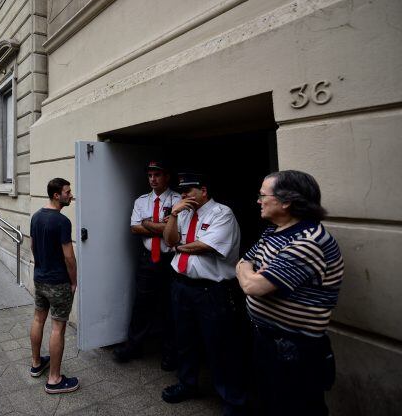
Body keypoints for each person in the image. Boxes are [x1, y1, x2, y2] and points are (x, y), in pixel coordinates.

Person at [236, 171, 343, 416]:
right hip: (268, 341)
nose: (258, 201)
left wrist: (252, 275)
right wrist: (250, 270)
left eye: (263, 195)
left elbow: (253, 287)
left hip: (294, 350)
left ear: (286, 202)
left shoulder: (308, 242)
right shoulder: (274, 231)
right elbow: (242, 262)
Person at [161, 173, 246, 415]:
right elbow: (168, 241)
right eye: (182, 191)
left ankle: (232, 400)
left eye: (189, 190)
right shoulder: (184, 212)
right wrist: (174, 215)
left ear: (204, 191)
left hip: (211, 290)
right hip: (181, 285)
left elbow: (207, 246)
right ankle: (187, 384)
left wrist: (179, 247)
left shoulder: (222, 213)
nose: (184, 195)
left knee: (219, 345)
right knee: (185, 340)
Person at [115, 160, 182, 367]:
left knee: (170, 306)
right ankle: (133, 347)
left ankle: (170, 353)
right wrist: (160, 226)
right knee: (142, 305)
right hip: (147, 260)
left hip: (170, 260)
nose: (153, 179)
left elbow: (176, 233)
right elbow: (134, 229)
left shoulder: (179, 200)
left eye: (157, 175)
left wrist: (147, 223)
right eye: (150, 175)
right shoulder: (141, 201)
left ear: (167, 177)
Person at [29, 178, 79, 394]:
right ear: (57, 195)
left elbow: (32, 245)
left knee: (38, 319)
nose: (70, 195)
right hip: (58, 282)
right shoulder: (61, 221)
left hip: (39, 278)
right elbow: (69, 256)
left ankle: (36, 364)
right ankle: (55, 379)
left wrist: (41, 265)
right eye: (67, 192)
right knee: (58, 327)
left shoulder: (36, 216)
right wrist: (74, 280)